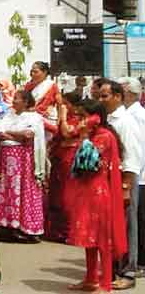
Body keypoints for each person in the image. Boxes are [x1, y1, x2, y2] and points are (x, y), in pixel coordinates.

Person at [66, 99, 127, 294]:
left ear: (96, 118)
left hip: (99, 193)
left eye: (83, 116)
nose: (80, 120)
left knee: (102, 240)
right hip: (86, 191)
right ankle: (90, 278)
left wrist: (83, 136)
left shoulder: (104, 136)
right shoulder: (91, 136)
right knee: (88, 238)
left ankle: (105, 283)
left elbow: (87, 164)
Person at [98, 80, 143, 290]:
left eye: (105, 96)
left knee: (127, 226)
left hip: (124, 181)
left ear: (118, 96)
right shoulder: (106, 120)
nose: (101, 100)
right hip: (107, 181)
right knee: (112, 228)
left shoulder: (126, 121)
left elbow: (133, 157)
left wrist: (126, 187)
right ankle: (113, 269)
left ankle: (128, 271)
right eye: (100, 96)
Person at [0, 90, 46, 241]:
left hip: (24, 161)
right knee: (7, 192)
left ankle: (25, 227)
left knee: (24, 190)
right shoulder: (7, 116)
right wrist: (17, 135)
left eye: (17, 98)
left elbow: (28, 135)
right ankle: (7, 226)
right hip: (7, 161)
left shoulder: (34, 118)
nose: (14, 101)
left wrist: (9, 134)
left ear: (26, 101)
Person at [45, 91, 82, 243]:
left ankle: (70, 231)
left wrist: (63, 116)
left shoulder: (79, 119)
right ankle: (56, 231)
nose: (63, 107)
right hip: (58, 157)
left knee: (68, 195)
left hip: (70, 158)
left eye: (66, 104)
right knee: (56, 194)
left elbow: (67, 133)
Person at [24, 61, 59, 138]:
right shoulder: (28, 86)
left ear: (45, 72)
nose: (32, 74)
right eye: (31, 71)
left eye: (36, 72)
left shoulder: (51, 85)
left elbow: (59, 103)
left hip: (47, 118)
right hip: (29, 117)